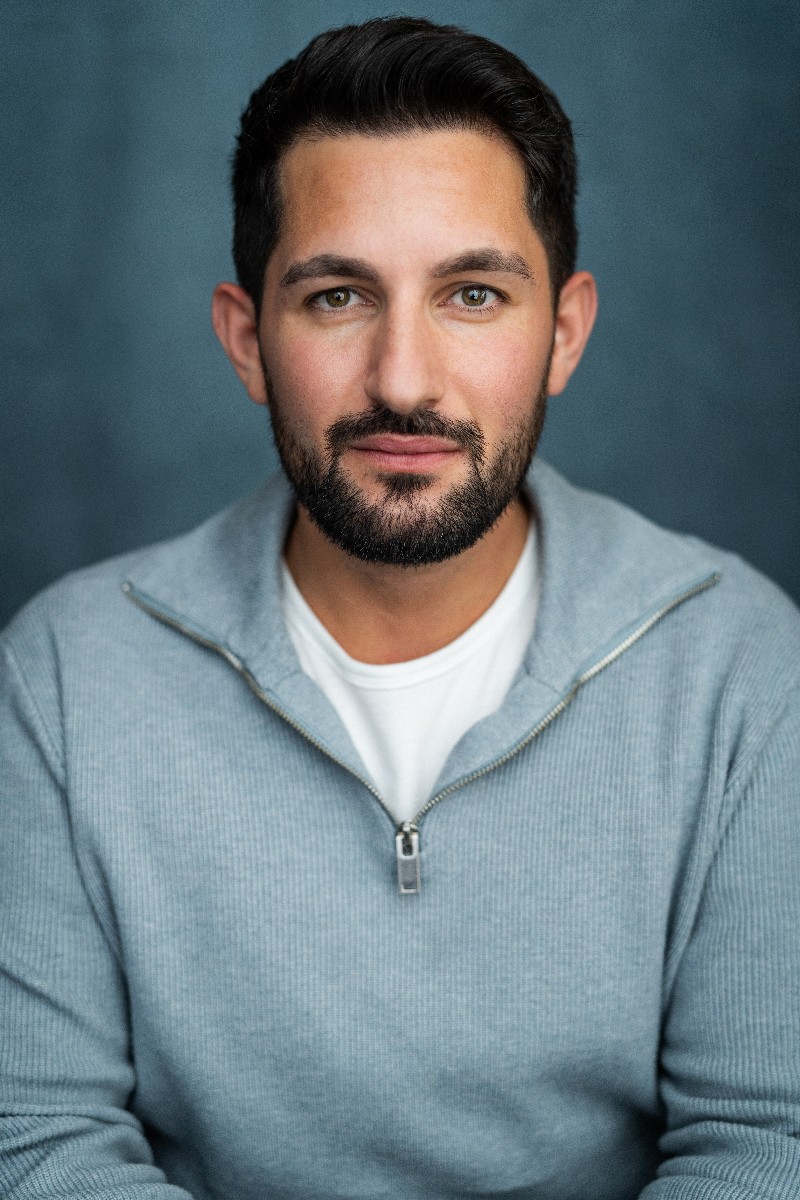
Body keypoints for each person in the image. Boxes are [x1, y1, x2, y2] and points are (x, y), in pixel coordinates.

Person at [1, 15, 798, 1199]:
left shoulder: (739, 668)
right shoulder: (65, 677)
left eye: (471, 294)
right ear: (246, 342)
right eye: (337, 297)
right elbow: (35, 1138)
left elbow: (765, 1142)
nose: (403, 379)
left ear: (562, 333)